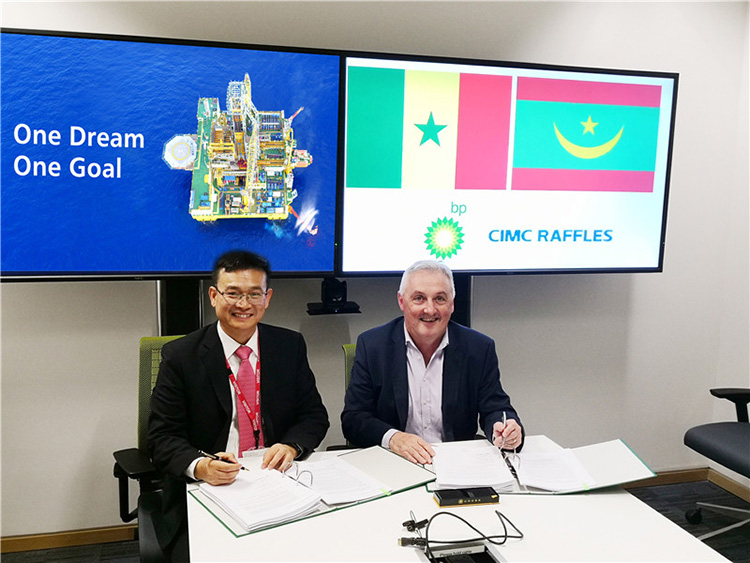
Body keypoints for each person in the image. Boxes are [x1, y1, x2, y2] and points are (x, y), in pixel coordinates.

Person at [148, 250, 329, 559]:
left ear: (267, 298)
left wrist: (290, 446)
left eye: (254, 294)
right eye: (233, 293)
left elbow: (314, 415)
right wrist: (201, 466)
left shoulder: (289, 346)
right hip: (211, 487)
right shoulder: (181, 356)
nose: (244, 304)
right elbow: (161, 438)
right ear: (214, 296)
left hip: (278, 481)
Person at [341, 259, 522, 465]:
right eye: (419, 298)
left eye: (440, 299)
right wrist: (394, 438)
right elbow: (354, 419)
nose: (430, 309)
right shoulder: (373, 346)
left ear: (452, 304)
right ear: (401, 301)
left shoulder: (478, 348)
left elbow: (496, 408)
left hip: (456, 463)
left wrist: (506, 429)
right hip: (395, 461)